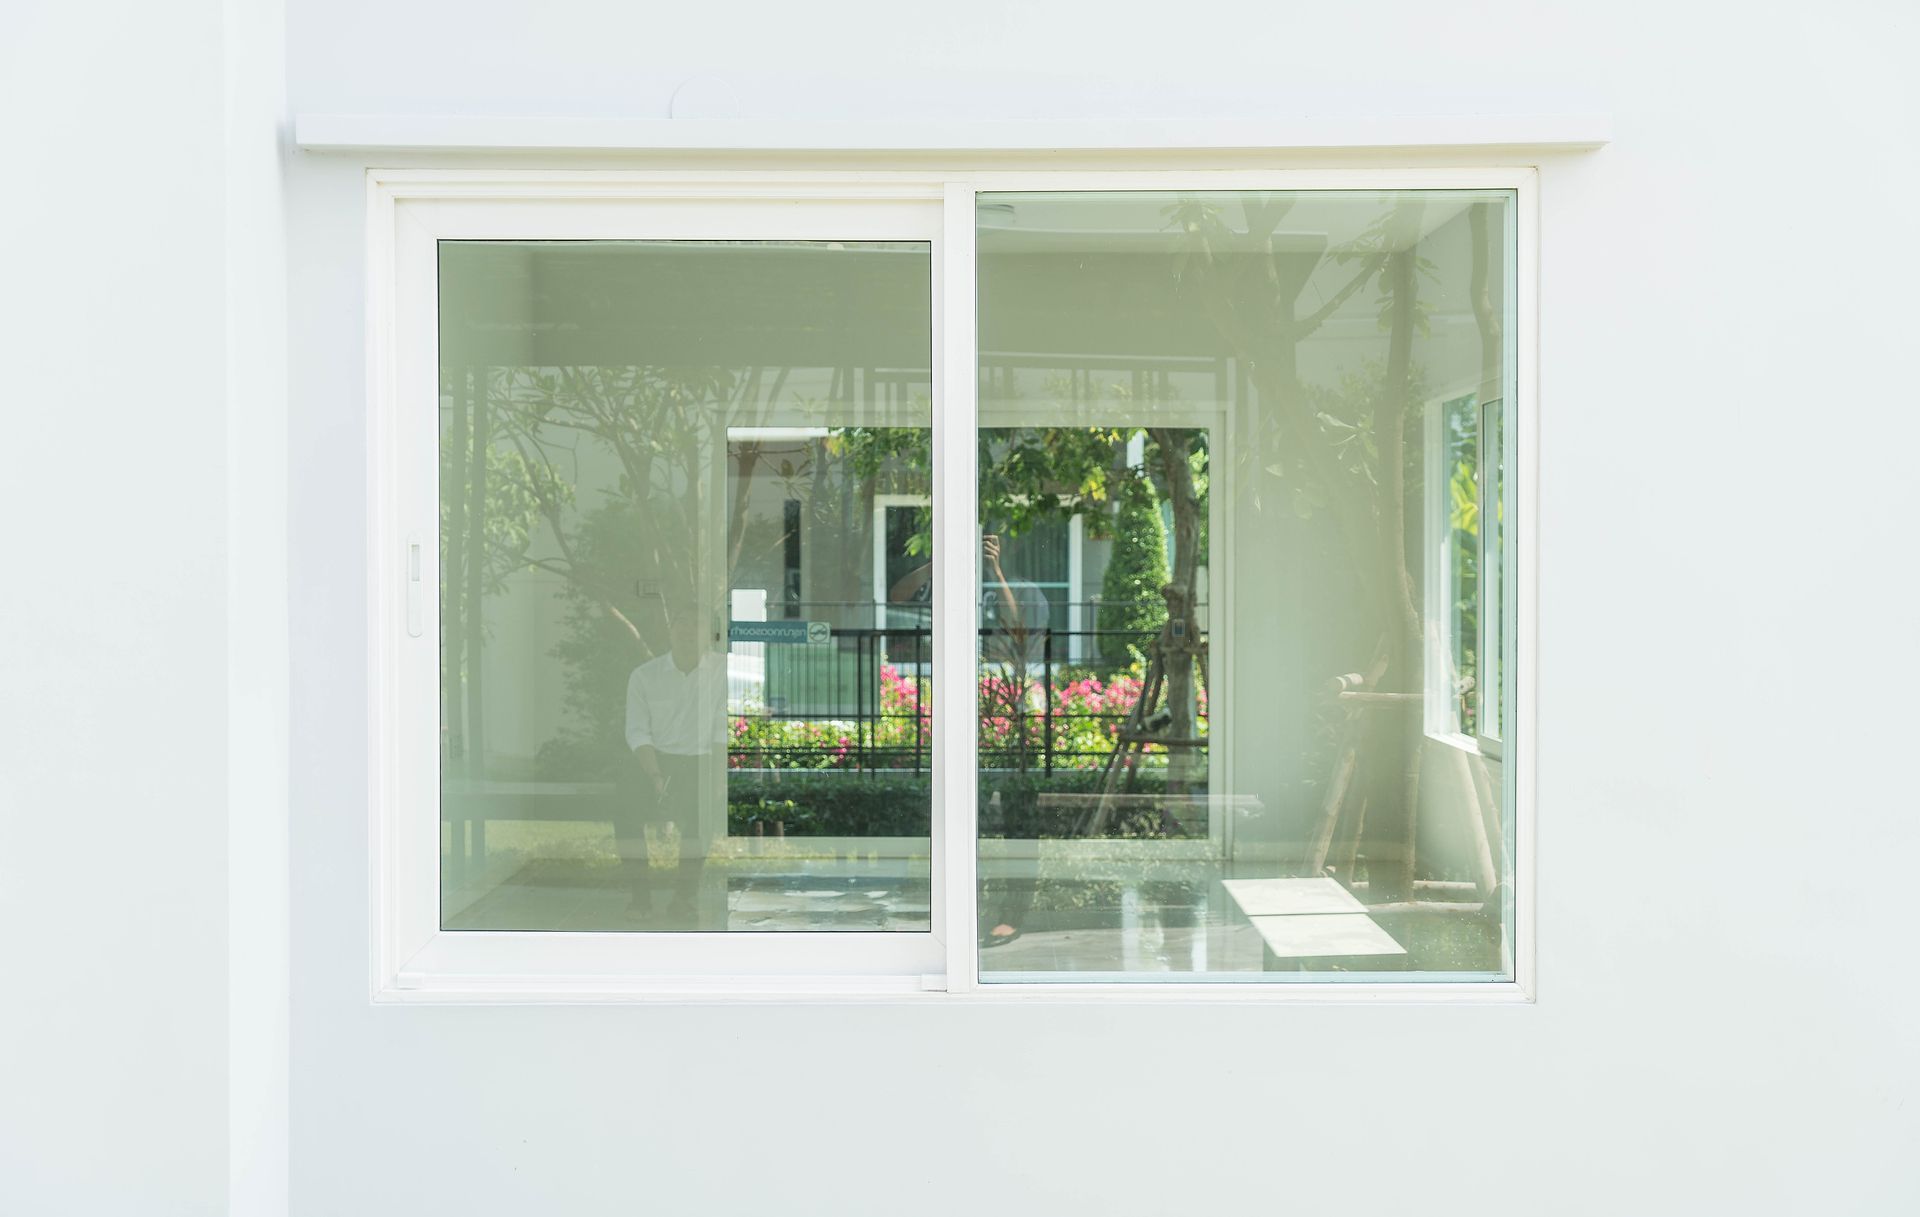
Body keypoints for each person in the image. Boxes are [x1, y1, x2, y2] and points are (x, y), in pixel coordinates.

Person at [620, 599, 728, 926]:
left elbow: (722, 729)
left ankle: (684, 899)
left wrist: (717, 778)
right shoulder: (644, 676)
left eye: (696, 625)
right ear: (670, 630)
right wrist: (655, 775)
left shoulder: (723, 672)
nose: (687, 631)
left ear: (708, 634)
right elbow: (637, 732)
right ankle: (640, 897)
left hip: (700, 760)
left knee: (700, 821)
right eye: (681, 623)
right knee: (624, 812)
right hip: (653, 760)